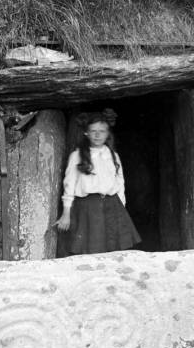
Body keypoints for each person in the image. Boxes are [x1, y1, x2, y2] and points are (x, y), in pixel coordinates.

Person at [55, 109, 141, 254]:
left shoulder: (113, 156)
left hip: (112, 206)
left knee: (113, 249)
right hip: (88, 208)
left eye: (102, 131)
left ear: (107, 134)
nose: (97, 135)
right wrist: (66, 213)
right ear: (86, 133)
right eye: (93, 131)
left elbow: (120, 184)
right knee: (90, 249)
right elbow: (69, 185)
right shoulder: (77, 156)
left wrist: (122, 209)